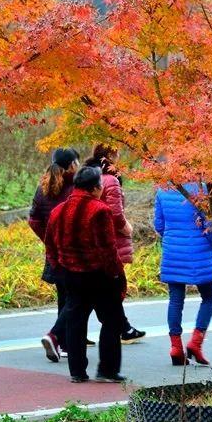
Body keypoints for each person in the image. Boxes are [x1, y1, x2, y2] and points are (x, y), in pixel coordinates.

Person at [45, 166, 127, 383]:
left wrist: (59, 268)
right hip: (98, 275)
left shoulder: (58, 211)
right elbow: (107, 250)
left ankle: (77, 371)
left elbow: (50, 246)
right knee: (112, 320)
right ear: (94, 188)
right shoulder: (100, 210)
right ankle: (107, 370)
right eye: (100, 185)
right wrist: (118, 274)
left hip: (70, 275)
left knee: (76, 322)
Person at [85, 144, 145, 343]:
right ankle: (120, 328)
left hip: (91, 241)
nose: (119, 155)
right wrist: (126, 227)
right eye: (117, 152)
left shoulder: (90, 177)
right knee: (112, 287)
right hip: (111, 241)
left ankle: (123, 327)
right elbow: (115, 213)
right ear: (109, 155)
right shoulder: (111, 180)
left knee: (104, 288)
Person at [154, 183, 212, 366]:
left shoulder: (162, 190)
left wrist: (172, 236)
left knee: (175, 299)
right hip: (200, 251)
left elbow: (159, 224)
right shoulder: (203, 189)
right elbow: (209, 224)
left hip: (173, 251)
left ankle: (175, 347)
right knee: (209, 296)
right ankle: (196, 343)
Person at [28, 147, 79, 362]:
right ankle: (58, 336)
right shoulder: (74, 187)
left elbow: (34, 219)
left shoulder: (43, 187)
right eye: (76, 162)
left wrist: (48, 239)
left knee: (63, 296)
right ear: (70, 165)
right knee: (75, 298)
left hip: (53, 251)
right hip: (73, 251)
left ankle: (64, 343)